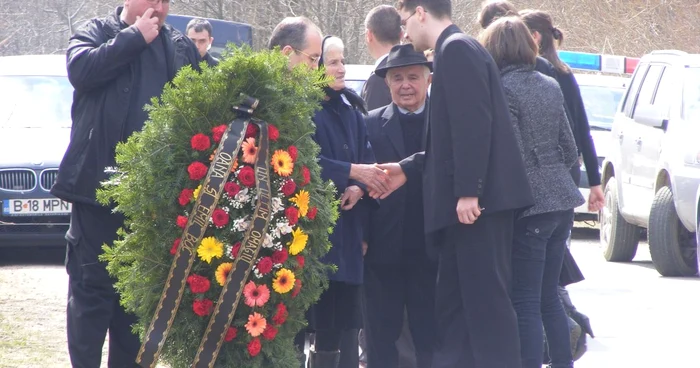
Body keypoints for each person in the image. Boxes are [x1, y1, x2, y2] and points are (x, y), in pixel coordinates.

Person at [375, 1, 535, 367]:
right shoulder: (455, 48)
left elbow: (474, 126)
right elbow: (448, 141)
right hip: (469, 205)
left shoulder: (456, 49)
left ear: (419, 12)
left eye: (404, 21)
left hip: (477, 206)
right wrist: (407, 168)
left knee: (485, 307)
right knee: (456, 308)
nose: (404, 32)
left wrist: (469, 190)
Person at [51, 1, 200, 367]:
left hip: (151, 205)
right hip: (95, 198)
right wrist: (133, 38)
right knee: (90, 300)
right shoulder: (96, 32)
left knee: (136, 309)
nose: (160, 7)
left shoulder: (179, 46)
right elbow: (81, 70)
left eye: (166, 1)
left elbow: (206, 101)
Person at [478, 16, 584, 368]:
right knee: (549, 298)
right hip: (562, 201)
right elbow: (571, 151)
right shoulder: (550, 84)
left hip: (530, 206)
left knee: (523, 299)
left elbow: (514, 156)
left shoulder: (503, 89)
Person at [520, 8, 598, 356]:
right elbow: (575, 140)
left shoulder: (523, 80)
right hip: (562, 196)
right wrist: (585, 180)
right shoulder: (558, 77)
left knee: (529, 295)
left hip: (534, 202)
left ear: (534, 37)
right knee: (549, 291)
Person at [307, 35, 388, 368]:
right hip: (317, 234)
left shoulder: (352, 109)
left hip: (351, 233)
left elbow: (368, 161)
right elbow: (306, 162)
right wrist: (351, 174)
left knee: (349, 322)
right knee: (319, 323)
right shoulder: (306, 108)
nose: (341, 68)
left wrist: (357, 185)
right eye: (333, 62)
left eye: (342, 61)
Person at [363, 44, 436, 368]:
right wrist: (363, 236)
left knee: (431, 334)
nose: (405, 85)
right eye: (397, 78)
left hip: (433, 247)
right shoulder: (370, 124)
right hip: (383, 248)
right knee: (381, 333)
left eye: (412, 77)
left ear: (428, 79)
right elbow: (360, 185)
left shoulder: (446, 122)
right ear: (387, 83)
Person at [362, 5, 403, 110]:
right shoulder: (416, 73)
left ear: (369, 35)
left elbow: (372, 124)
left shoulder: (378, 79)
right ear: (401, 34)